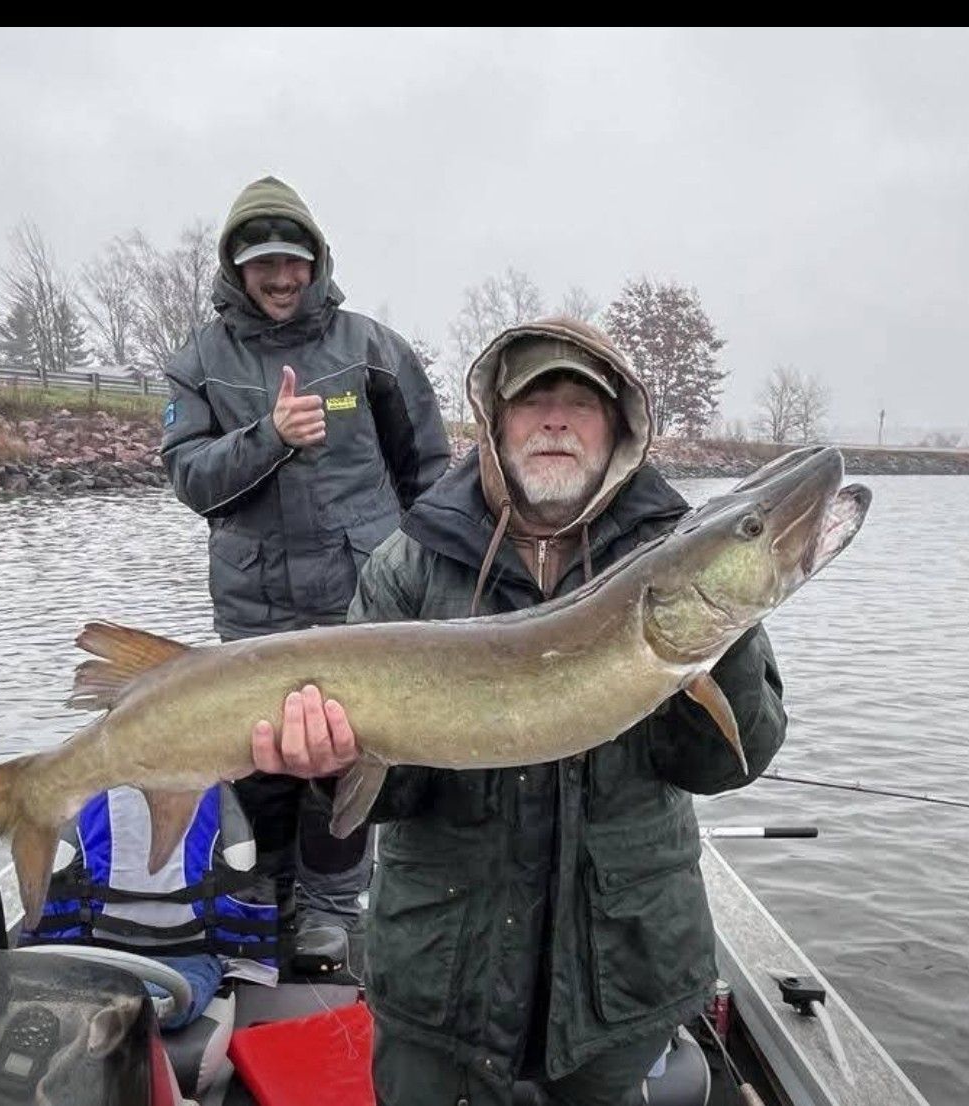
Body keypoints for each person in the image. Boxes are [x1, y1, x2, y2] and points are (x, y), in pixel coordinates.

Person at [250, 317, 788, 1104]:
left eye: (582, 402)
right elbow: (391, 797)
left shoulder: (678, 557)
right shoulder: (411, 563)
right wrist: (331, 765)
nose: (556, 420)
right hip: (444, 974)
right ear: (497, 424)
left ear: (620, 429)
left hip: (620, 973)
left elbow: (726, 766)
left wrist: (721, 637)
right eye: (534, 401)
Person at [160, 174, 450, 973]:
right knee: (258, 753)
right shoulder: (197, 362)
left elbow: (426, 471)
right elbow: (190, 479)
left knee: (344, 749)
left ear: (317, 261)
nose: (282, 278)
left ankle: (331, 908)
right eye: (264, 265)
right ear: (237, 268)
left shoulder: (374, 350)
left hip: (360, 600)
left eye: (294, 261)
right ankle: (263, 893)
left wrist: (434, 583)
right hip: (252, 605)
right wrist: (270, 436)